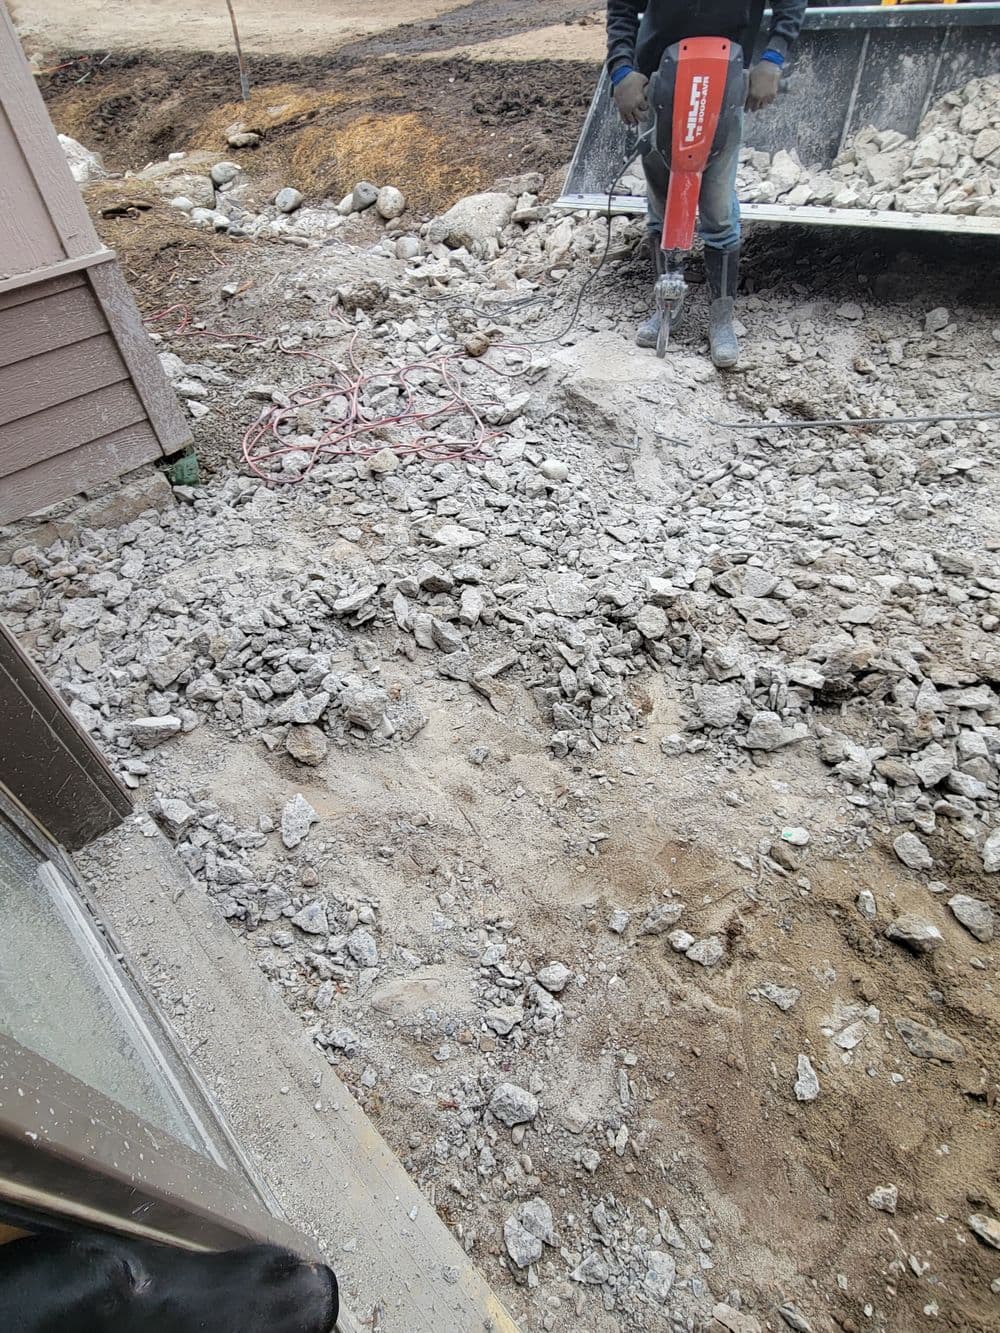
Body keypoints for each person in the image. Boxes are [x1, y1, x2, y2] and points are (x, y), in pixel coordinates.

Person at [606, 0, 806, 366]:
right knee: (662, 207)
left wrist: (773, 58)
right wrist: (621, 70)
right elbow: (621, 8)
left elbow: (790, 5)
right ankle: (668, 306)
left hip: (723, 82)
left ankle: (721, 317)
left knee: (717, 207)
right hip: (657, 85)